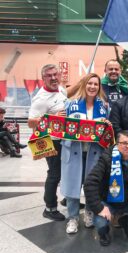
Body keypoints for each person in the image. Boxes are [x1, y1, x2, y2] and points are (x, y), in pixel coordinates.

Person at [61, 73, 110, 234]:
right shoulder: (70, 104)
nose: (92, 87)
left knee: (92, 186)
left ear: (99, 87)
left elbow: (108, 132)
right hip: (74, 151)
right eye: (89, 83)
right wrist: (60, 118)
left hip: (94, 153)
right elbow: (60, 128)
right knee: (72, 187)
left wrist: (107, 125)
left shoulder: (104, 107)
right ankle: (73, 218)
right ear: (84, 85)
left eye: (96, 84)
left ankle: (89, 212)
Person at [28, 64, 67, 221]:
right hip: (48, 140)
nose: (53, 78)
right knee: (54, 174)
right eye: (49, 75)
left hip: (62, 139)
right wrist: (53, 118)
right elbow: (30, 122)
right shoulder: (40, 99)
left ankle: (68, 199)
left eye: (55, 74)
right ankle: (49, 208)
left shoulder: (61, 89)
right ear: (43, 78)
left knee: (65, 171)